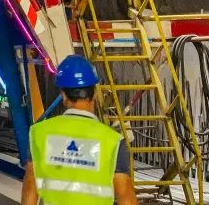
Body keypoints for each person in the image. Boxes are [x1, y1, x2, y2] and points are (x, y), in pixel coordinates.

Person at [22, 55, 138, 205]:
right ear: (95, 93)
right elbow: (126, 197)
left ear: (63, 95)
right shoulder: (113, 141)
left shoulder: (39, 133)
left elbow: (31, 189)